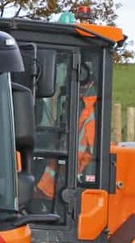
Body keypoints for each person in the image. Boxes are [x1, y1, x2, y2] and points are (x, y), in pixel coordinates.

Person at [36, 61, 98, 202]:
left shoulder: (88, 112)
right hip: (59, 182)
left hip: (66, 185)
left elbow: (81, 156)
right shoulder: (77, 107)